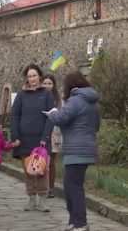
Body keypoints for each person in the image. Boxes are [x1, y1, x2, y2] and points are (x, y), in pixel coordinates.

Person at [46, 71, 100, 231]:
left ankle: (81, 223)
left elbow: (61, 118)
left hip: (75, 150)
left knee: (73, 187)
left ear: (71, 85)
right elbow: (96, 126)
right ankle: (74, 221)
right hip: (88, 149)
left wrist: (53, 113)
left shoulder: (75, 101)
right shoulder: (94, 103)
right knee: (72, 185)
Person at [10, 64, 55, 212]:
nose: (32, 79)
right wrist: (15, 136)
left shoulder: (47, 94)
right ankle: (31, 199)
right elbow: (15, 116)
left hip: (41, 140)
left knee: (42, 169)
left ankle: (42, 199)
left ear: (39, 76)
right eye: (29, 76)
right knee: (29, 170)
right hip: (24, 139)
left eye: (34, 75)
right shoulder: (21, 95)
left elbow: (51, 117)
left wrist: (45, 137)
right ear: (27, 78)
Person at [42, 73, 63, 198]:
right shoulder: (38, 96)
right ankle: (40, 186)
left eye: (50, 83)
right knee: (40, 160)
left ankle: (50, 188)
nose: (47, 86)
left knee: (51, 162)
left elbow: (62, 114)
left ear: (53, 85)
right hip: (40, 131)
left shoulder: (58, 100)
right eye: (45, 83)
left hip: (55, 132)